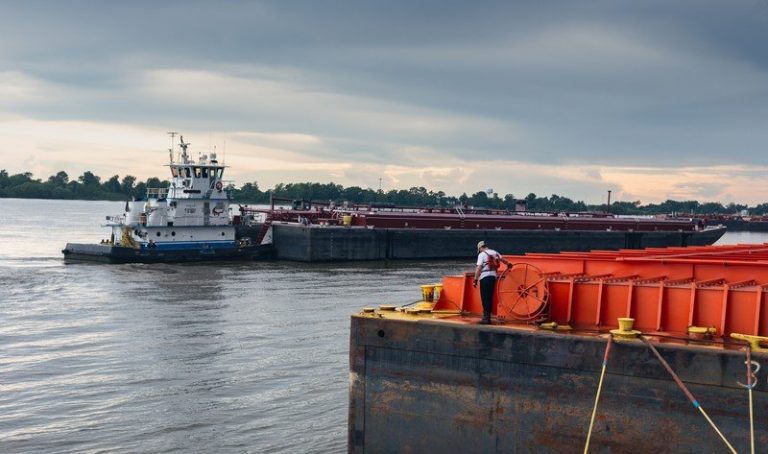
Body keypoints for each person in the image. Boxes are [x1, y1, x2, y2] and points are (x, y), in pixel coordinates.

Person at [472, 241, 509, 324]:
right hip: (493, 277)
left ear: (480, 248)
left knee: (485, 298)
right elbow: (503, 260)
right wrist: (509, 264)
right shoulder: (495, 252)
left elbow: (478, 268)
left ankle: (486, 318)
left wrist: (475, 280)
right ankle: (487, 316)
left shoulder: (481, 254)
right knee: (490, 297)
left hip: (485, 277)